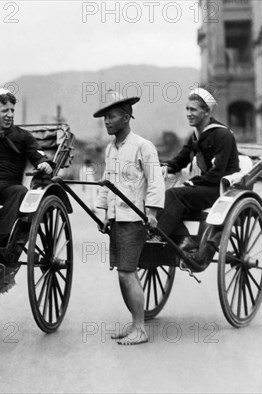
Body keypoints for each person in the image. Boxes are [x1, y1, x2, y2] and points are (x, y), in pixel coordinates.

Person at [94, 90, 165, 345]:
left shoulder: (143, 147)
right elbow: (107, 184)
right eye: (105, 118)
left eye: (111, 117)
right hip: (116, 219)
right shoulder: (110, 150)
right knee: (122, 273)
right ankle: (135, 324)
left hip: (134, 219)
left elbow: (156, 182)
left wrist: (152, 213)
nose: (107, 122)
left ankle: (140, 328)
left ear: (126, 117)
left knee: (127, 272)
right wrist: (103, 214)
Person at [157, 88, 240, 259]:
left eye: (193, 109)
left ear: (207, 112)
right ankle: (179, 239)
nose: (188, 113)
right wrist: (165, 167)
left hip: (222, 189)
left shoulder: (222, 135)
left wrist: (193, 183)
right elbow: (180, 159)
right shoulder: (195, 135)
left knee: (174, 194)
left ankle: (160, 238)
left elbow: (217, 174)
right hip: (207, 186)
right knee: (162, 195)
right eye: (187, 109)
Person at [0, 88, 52, 252]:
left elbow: (37, 154)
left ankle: (2, 237)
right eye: (5, 110)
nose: (10, 114)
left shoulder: (23, 136)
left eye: (12, 110)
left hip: (10, 186)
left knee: (21, 191)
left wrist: (43, 163)